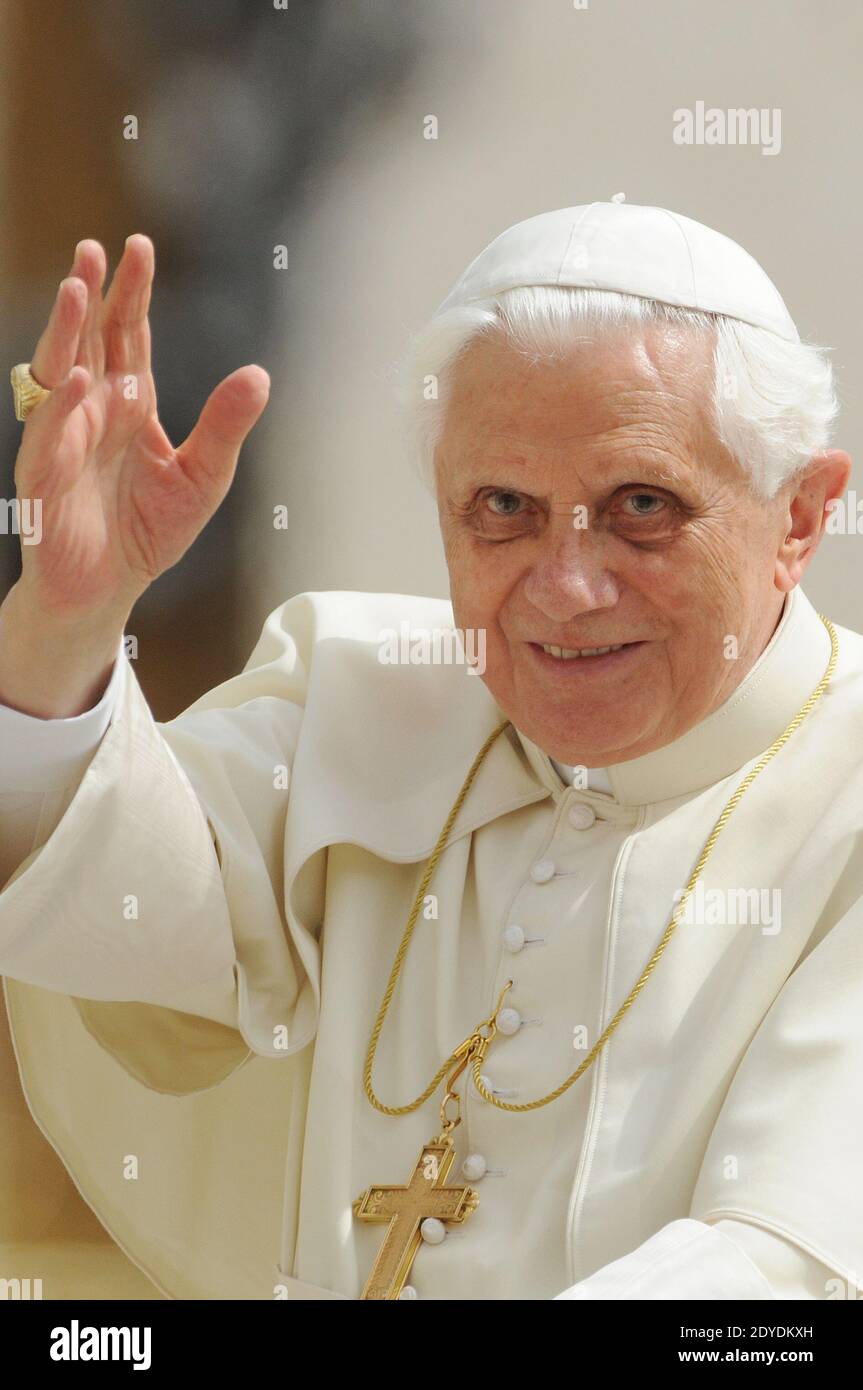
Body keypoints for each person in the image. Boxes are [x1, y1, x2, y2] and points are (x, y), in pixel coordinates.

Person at [0, 202, 860, 1301]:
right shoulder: (355, 694)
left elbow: (782, 1262)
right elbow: (109, 917)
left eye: (640, 506)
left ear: (798, 515)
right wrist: (67, 622)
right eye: (502, 507)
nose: (565, 587)